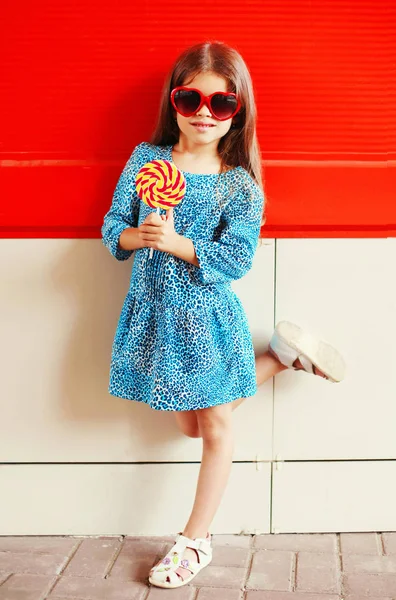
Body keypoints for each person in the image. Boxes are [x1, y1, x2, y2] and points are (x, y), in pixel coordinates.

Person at [101, 40, 346, 589]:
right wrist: (134, 235)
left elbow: (235, 258)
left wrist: (177, 243)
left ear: (240, 109)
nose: (204, 114)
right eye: (191, 100)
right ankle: (280, 358)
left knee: (215, 426)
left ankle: (195, 540)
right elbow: (112, 222)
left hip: (207, 318)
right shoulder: (147, 161)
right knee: (190, 426)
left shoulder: (239, 183)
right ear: (174, 103)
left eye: (221, 103)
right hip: (155, 317)